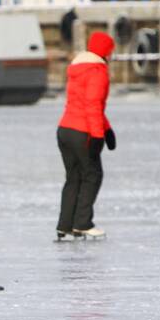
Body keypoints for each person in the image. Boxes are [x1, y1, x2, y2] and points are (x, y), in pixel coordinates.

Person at [57, 31, 117, 240]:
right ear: (105, 51)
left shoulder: (77, 69)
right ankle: (82, 223)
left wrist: (107, 129)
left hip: (65, 130)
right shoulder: (97, 71)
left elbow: (88, 104)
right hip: (82, 131)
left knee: (73, 178)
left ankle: (65, 225)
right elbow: (93, 106)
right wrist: (98, 135)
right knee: (92, 175)